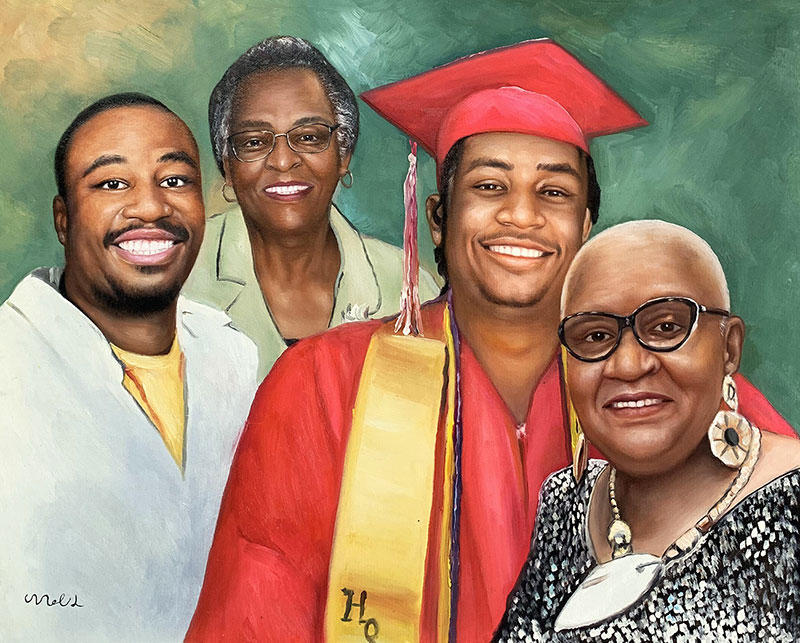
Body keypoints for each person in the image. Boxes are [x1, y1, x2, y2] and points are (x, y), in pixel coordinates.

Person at [187, 40, 795, 642]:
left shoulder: (667, 390)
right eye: (489, 187)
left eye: (553, 192)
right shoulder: (320, 386)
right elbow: (253, 618)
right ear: (436, 218)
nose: (521, 217)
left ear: (586, 227)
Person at [0, 93, 258, 641]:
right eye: (112, 184)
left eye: (175, 180)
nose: (150, 208)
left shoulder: (233, 356)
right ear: (63, 219)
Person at [495, 221, 800, 642]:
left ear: (729, 348)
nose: (628, 365)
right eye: (596, 335)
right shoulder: (564, 505)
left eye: (666, 328)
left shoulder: (789, 504)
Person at [185, 35, 439, 378]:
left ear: (343, 155)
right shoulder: (181, 274)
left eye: (308, 137)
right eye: (255, 142)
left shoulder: (409, 288)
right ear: (228, 167)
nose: (284, 160)